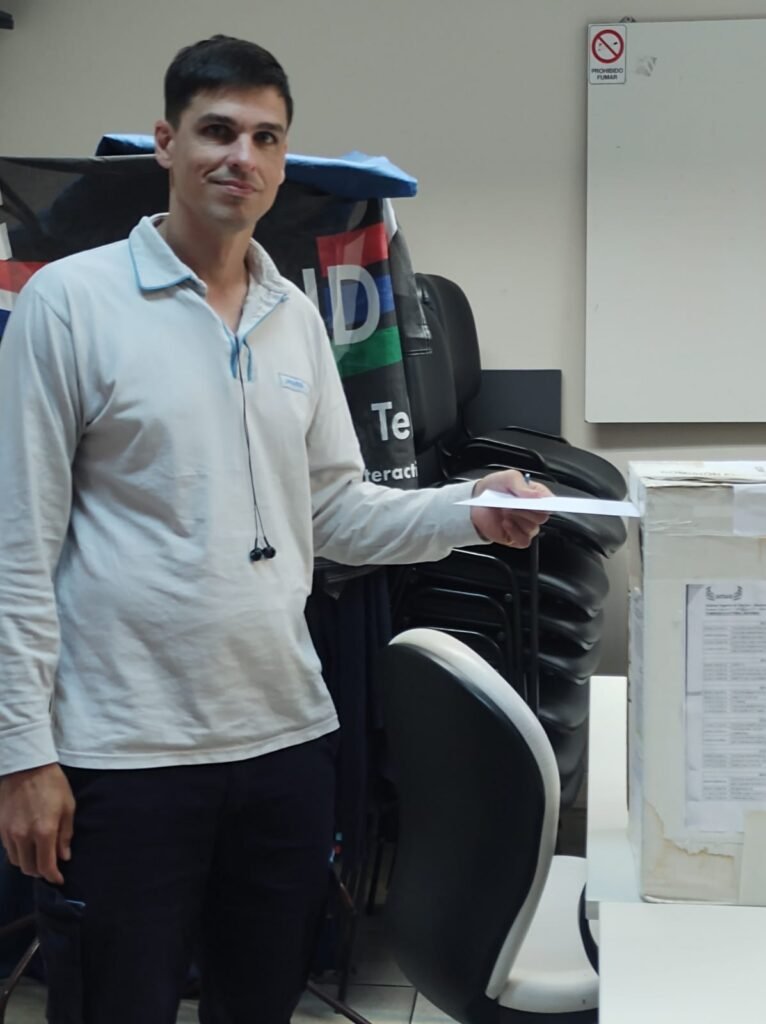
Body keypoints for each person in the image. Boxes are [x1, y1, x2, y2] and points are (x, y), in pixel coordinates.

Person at [0, 35, 550, 1024]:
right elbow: (17, 550)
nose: (239, 156)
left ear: (283, 159)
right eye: (216, 131)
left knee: (259, 1005)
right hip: (123, 757)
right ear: (166, 143)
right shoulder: (70, 304)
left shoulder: (293, 316)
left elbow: (335, 510)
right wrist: (22, 755)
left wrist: (469, 509)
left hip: (284, 745)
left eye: (265, 137)